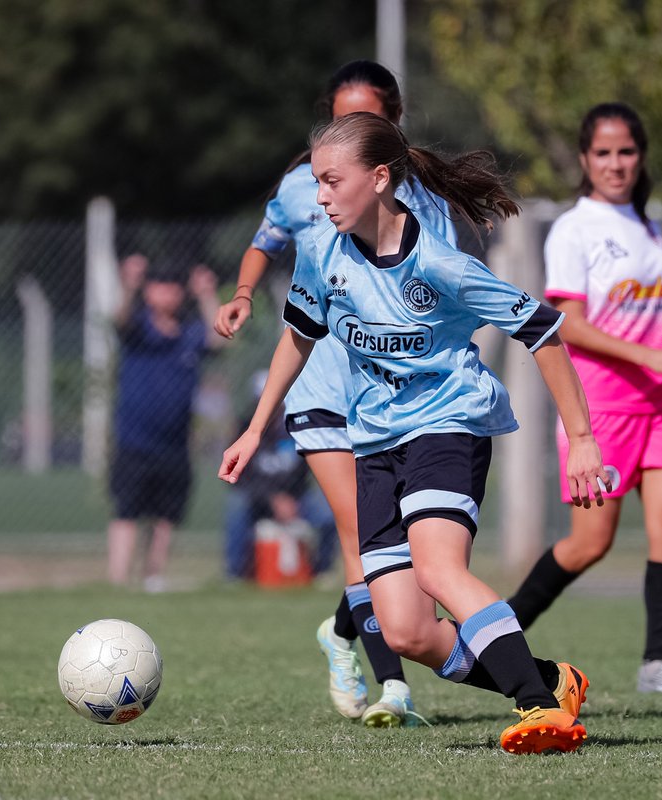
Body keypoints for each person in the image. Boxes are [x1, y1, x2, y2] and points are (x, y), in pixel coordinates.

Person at [219, 111, 609, 755]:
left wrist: (583, 439)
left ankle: (542, 710)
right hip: (374, 444)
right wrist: (256, 428)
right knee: (405, 632)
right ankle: (548, 680)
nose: (318, 196)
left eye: (330, 181)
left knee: (436, 569)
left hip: (448, 426)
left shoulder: (437, 262)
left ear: (377, 179)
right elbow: (298, 337)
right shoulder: (322, 252)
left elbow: (541, 329)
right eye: (315, 181)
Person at [215, 60, 458, 727]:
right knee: (364, 539)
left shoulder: (427, 196)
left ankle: (341, 632)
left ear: (395, 120)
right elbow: (263, 244)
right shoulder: (303, 185)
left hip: (400, 396)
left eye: (369, 118)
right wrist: (241, 295)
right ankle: (395, 690)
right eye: (342, 118)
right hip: (323, 386)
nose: (353, 130)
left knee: (406, 551)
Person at [505, 103, 662, 694]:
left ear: (641, 157)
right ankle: (489, 640)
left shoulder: (646, 225)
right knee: (590, 543)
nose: (616, 163)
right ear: (585, 159)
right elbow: (569, 324)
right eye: (603, 153)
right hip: (601, 410)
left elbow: (636, 311)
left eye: (626, 151)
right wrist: (655, 356)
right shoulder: (574, 230)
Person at [108, 253, 221, 592]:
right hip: (133, 442)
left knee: (166, 515)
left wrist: (206, 295)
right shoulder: (138, 329)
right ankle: (117, 580)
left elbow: (219, 337)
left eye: (173, 287)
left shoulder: (189, 334)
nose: (167, 293)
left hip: (174, 443)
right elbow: (119, 320)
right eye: (159, 286)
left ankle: (152, 577)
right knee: (127, 511)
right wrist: (128, 286)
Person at [223, 378, 337, 580]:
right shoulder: (245, 431)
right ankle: (235, 573)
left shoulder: (296, 427)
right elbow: (241, 479)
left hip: (295, 497)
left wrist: (289, 498)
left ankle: (321, 570)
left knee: (327, 513)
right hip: (257, 500)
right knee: (236, 506)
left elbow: (303, 471)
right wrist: (272, 499)